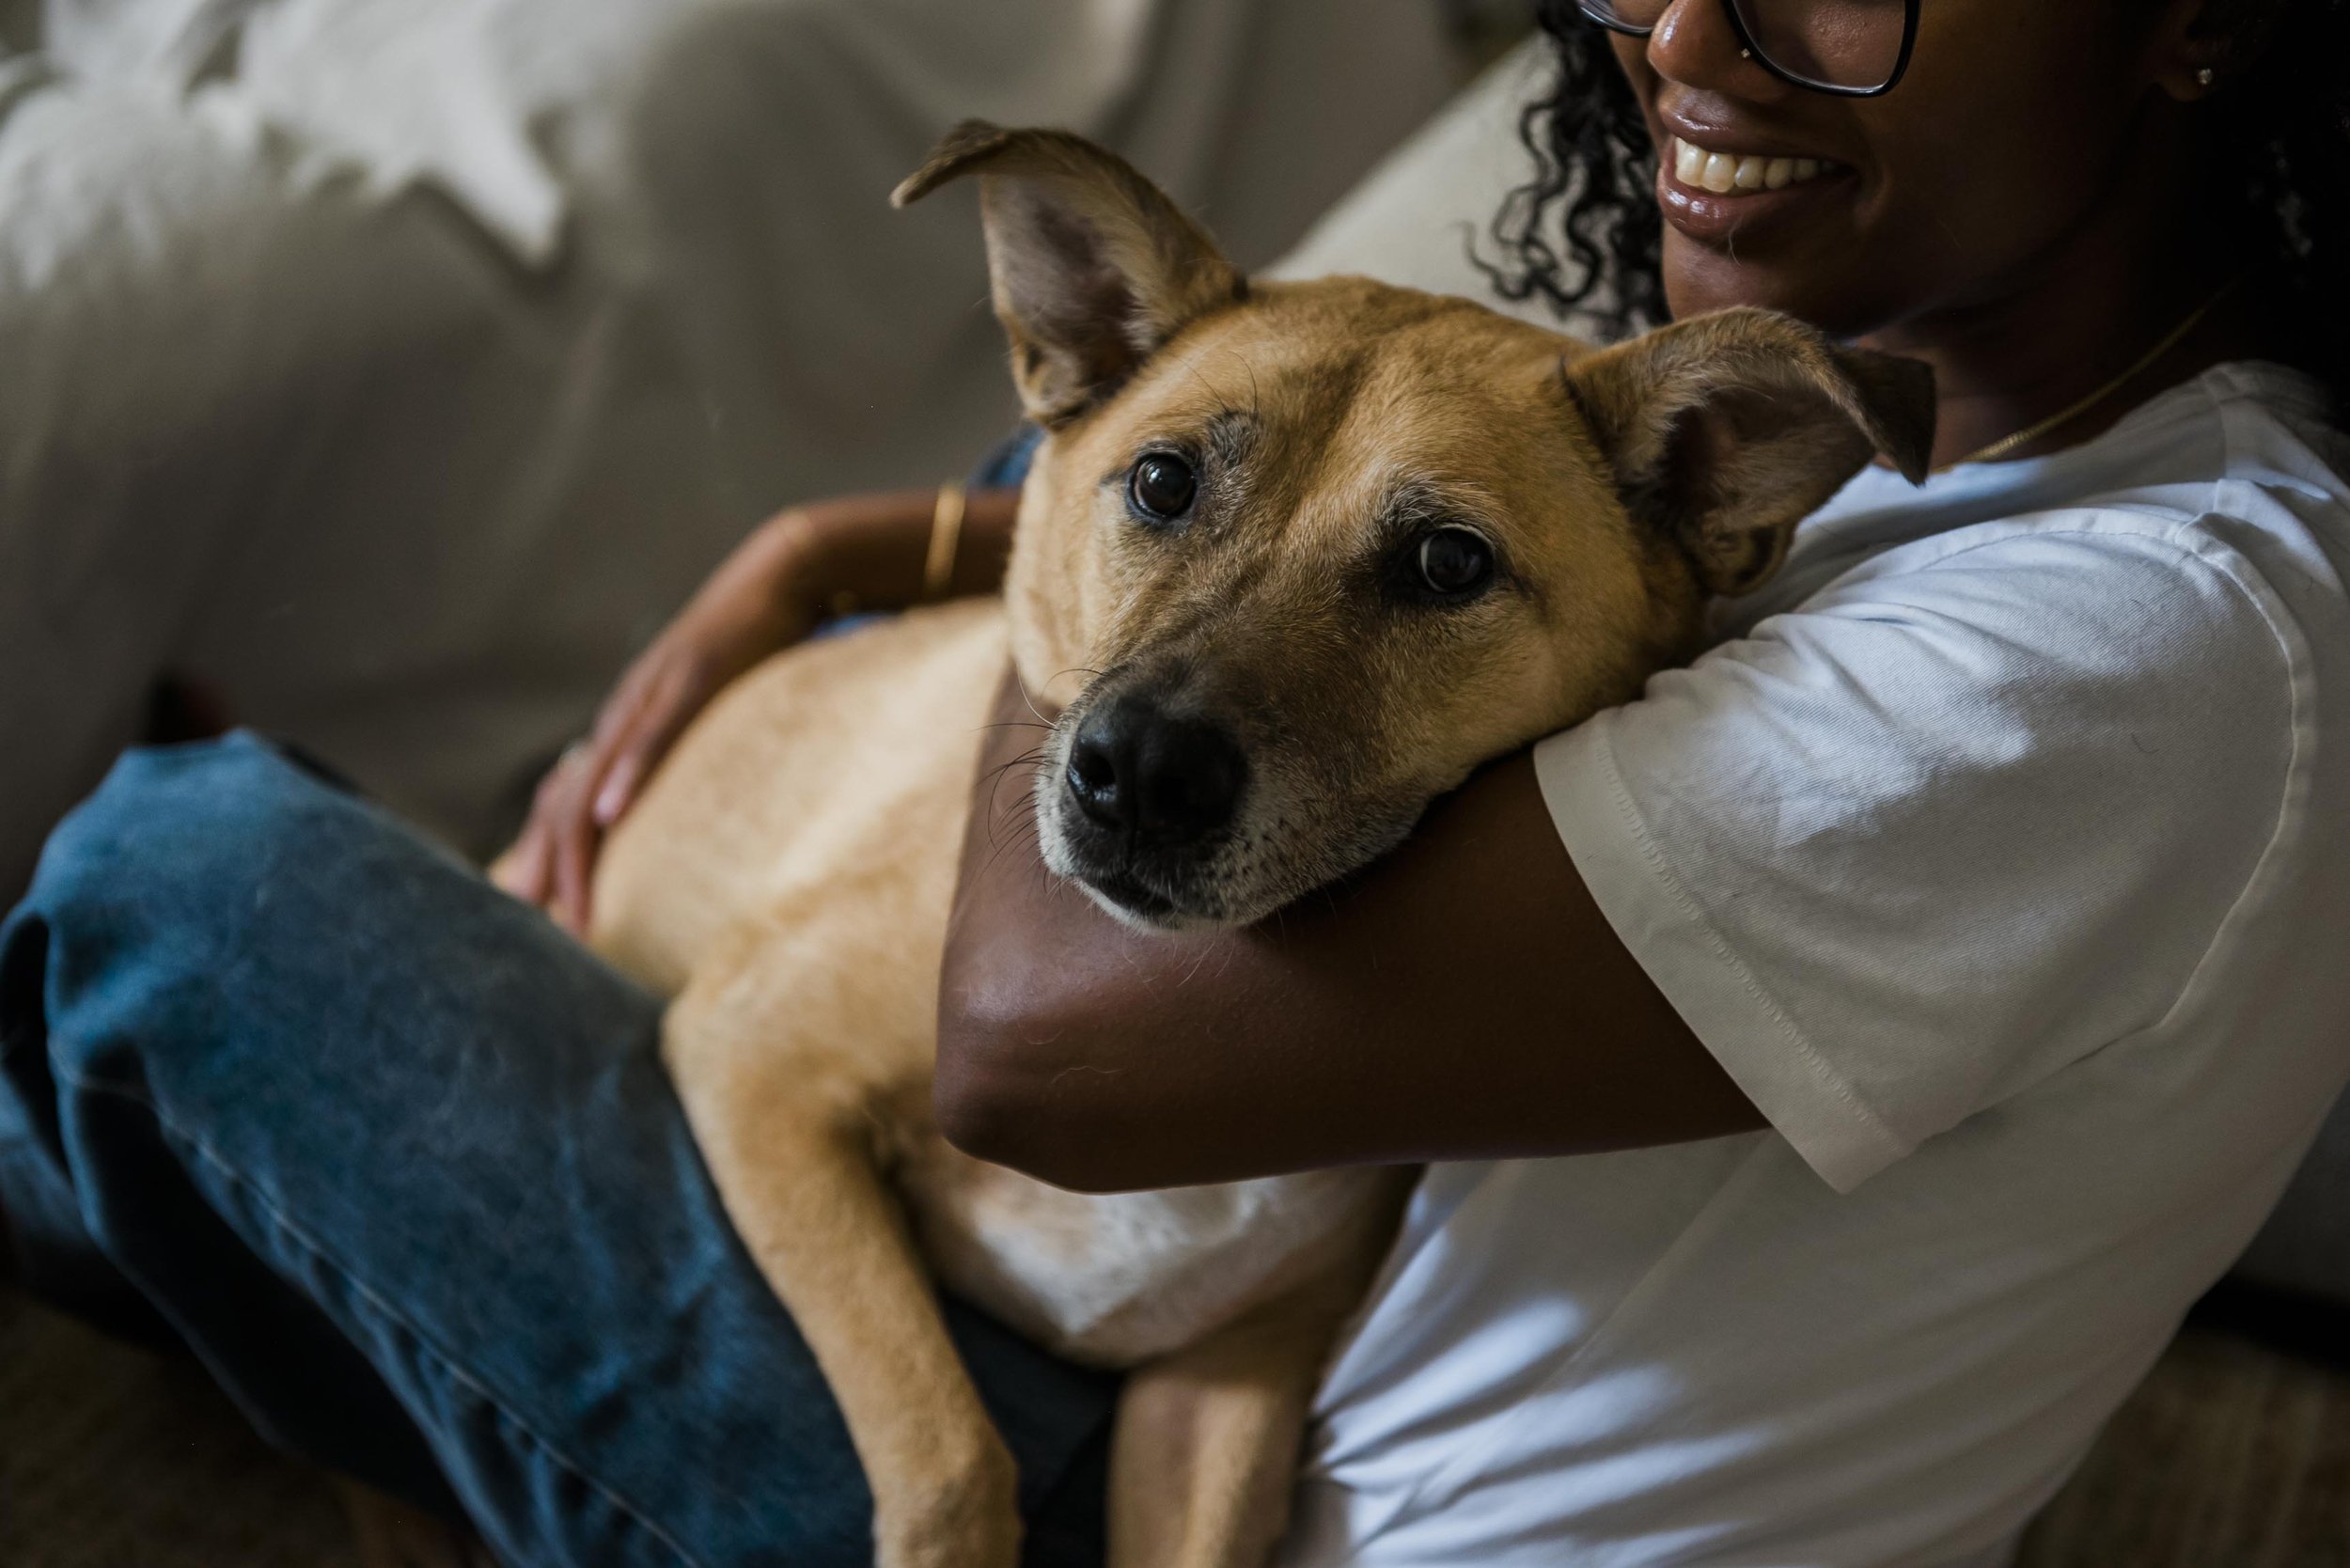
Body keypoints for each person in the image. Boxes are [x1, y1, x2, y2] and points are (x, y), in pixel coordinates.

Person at [7, 0, 2349, 1563]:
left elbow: (1029, 1047)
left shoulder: (2138, 643)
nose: (1677, 38)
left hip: (1192, 1466)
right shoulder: (1949, 449)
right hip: (1142, 1343)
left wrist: (1062, 539)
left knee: (181, 878)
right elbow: (1245, 449)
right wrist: (889, 541)